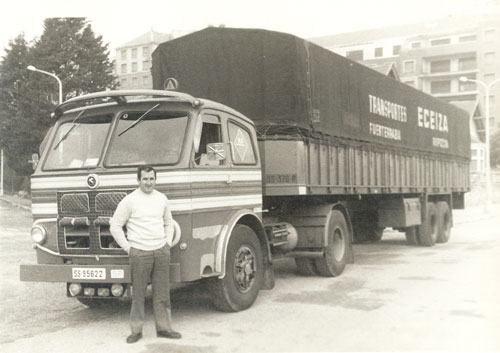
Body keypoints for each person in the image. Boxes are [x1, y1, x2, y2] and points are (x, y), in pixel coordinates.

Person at [110, 165, 181, 344]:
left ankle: (164, 328)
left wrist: (166, 243)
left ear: (155, 180)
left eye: (151, 179)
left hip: (161, 251)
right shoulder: (130, 200)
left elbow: (169, 223)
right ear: (138, 180)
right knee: (139, 294)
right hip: (139, 253)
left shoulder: (162, 198)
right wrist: (129, 248)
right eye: (145, 179)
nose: (149, 182)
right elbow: (115, 225)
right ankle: (136, 331)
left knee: (162, 293)